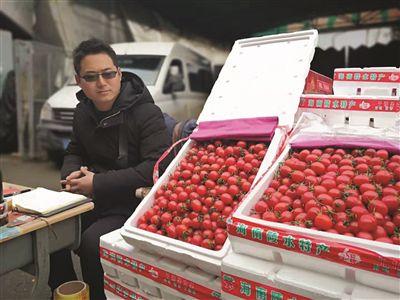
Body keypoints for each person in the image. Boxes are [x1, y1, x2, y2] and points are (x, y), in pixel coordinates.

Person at [48, 38, 171, 299]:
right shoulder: (83, 112)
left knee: (94, 242)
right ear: (79, 81)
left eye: (108, 74)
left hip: (131, 201)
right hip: (92, 198)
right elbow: (75, 150)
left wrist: (97, 183)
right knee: (51, 227)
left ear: (119, 73)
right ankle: (65, 290)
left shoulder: (148, 113)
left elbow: (155, 168)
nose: (101, 83)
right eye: (91, 77)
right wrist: (71, 175)